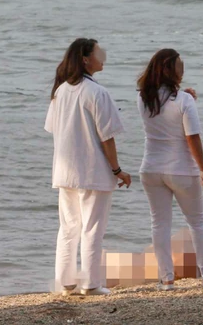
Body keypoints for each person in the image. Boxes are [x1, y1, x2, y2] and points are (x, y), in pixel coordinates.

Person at [45, 38, 131, 296]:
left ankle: (66, 281)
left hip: (65, 170)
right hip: (92, 170)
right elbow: (107, 136)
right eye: (98, 52)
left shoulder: (60, 91)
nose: (102, 56)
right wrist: (117, 170)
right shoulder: (97, 92)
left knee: (69, 227)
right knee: (92, 228)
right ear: (85, 59)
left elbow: (53, 129)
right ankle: (91, 283)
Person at [137, 49, 203, 290]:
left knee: (159, 223)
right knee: (197, 222)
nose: (183, 68)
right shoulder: (185, 101)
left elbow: (164, 112)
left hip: (151, 168)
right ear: (169, 69)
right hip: (181, 169)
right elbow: (192, 137)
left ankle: (166, 279)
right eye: (179, 65)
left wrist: (184, 95)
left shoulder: (143, 97)